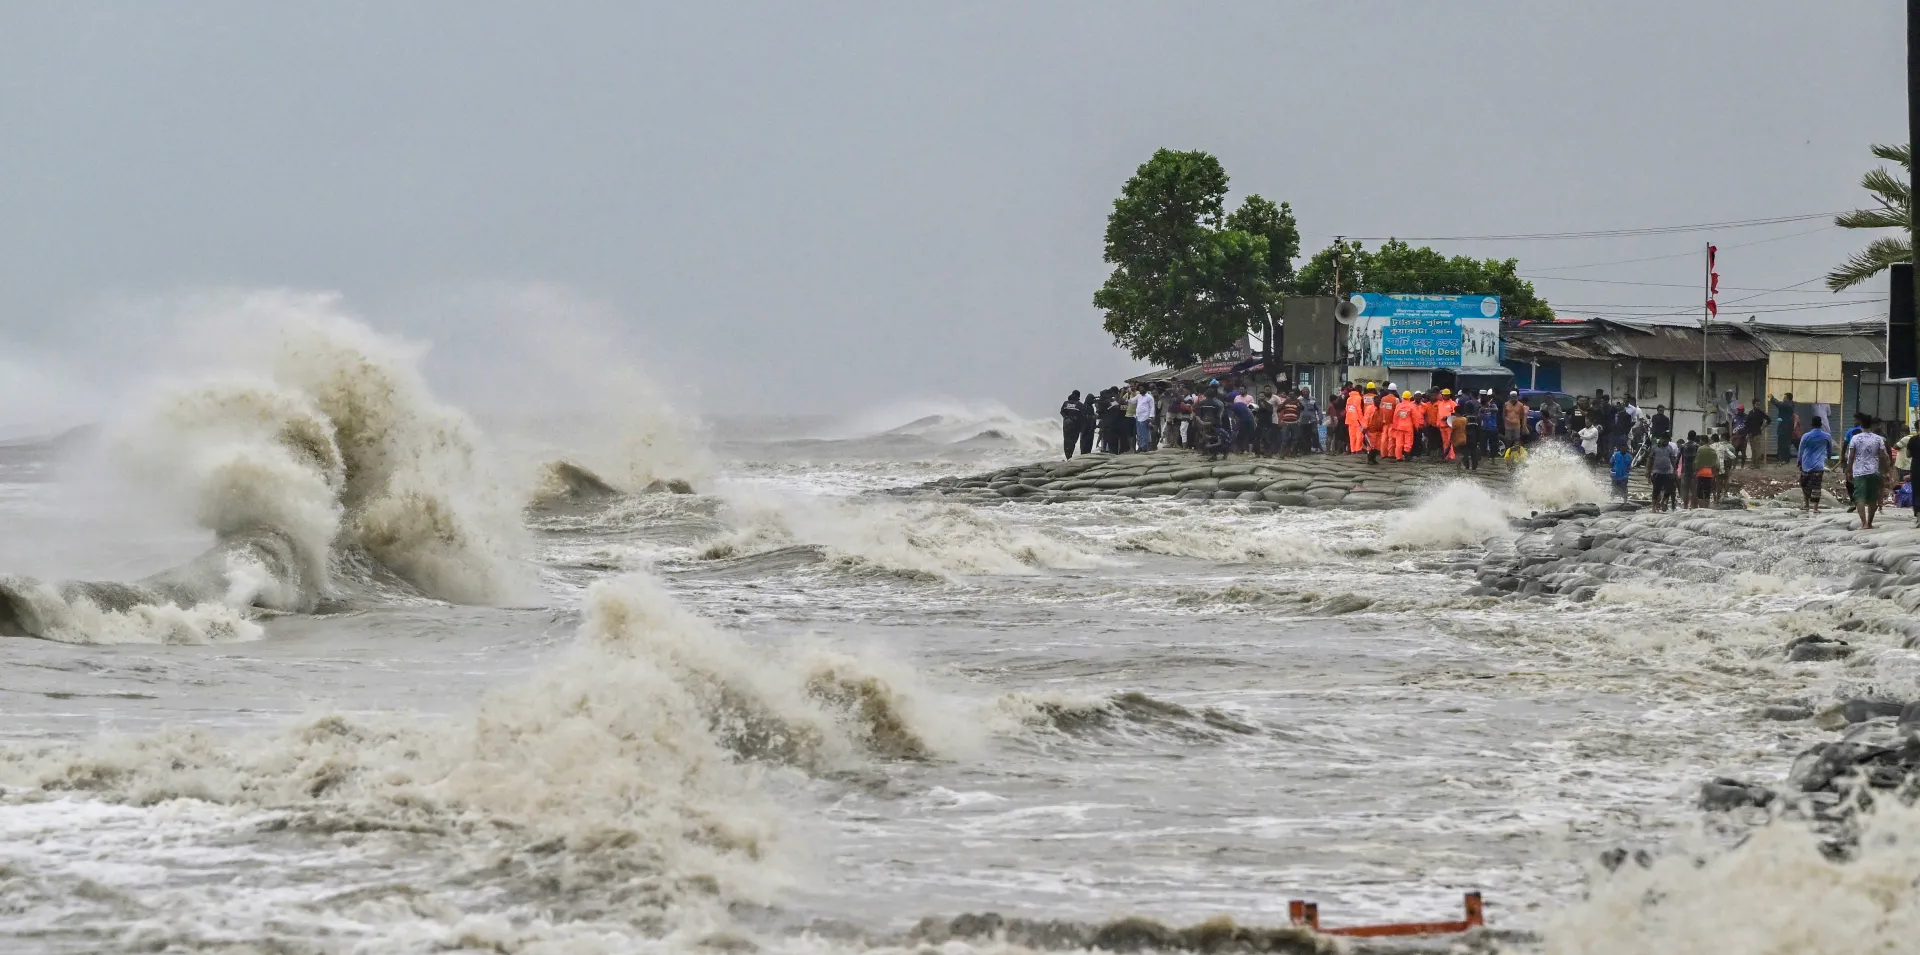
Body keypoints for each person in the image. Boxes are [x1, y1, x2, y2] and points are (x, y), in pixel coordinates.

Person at [1846, 412, 1892, 530]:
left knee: (1859, 497)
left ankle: (1864, 523)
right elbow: (1882, 456)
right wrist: (1886, 472)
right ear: (1871, 425)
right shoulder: (1878, 439)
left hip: (1859, 472)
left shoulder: (1855, 438)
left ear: (1861, 424)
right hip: (1874, 471)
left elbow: (1851, 457)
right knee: (1872, 498)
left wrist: (1849, 470)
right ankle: (1870, 523)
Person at [1797, 416, 1834, 513]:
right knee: (1817, 486)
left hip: (1806, 464)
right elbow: (1830, 450)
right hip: (1819, 465)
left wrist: (1799, 462)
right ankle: (1815, 508)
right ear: (1821, 425)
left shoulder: (1806, 436)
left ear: (1811, 425)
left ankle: (1806, 505)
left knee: (1804, 484)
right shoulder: (1827, 436)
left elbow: (1800, 451)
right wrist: (1829, 457)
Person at [1648, 435, 1679, 511]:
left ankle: (1663, 500)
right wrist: (1647, 470)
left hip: (1667, 471)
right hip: (1657, 471)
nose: (1666, 442)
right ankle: (1653, 507)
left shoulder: (1669, 448)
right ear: (1661, 439)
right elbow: (1650, 460)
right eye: (1665, 441)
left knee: (1669, 488)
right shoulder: (1654, 447)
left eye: (1668, 441)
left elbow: (1672, 459)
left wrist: (1675, 470)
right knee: (1656, 489)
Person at [1692, 434, 1719, 508]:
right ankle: (1706, 507)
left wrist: (1695, 469)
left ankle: (1701, 508)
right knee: (1707, 491)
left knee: (1700, 491)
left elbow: (1697, 461)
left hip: (1701, 473)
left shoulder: (1700, 449)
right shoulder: (1712, 450)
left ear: (1702, 440)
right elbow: (1716, 463)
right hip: (1709, 473)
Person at [1060, 390, 1086, 459]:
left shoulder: (1065, 403)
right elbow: (1083, 417)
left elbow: (1062, 412)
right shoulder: (1080, 405)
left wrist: (1066, 417)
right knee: (1072, 442)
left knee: (1066, 441)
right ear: (1078, 396)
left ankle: (1068, 457)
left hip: (1066, 425)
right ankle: (1070, 457)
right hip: (1075, 426)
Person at [1771, 393, 1797, 463]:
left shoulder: (1787, 404)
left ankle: (1783, 459)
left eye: (1784, 397)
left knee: (1783, 443)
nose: (1783, 398)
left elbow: (1778, 404)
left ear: (1788, 398)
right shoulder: (1790, 404)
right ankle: (1783, 459)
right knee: (1784, 443)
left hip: (1785, 426)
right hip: (1785, 425)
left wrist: (1772, 398)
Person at [1132, 384, 1156, 453]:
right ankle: (1140, 447)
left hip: (1145, 417)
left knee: (1144, 434)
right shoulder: (1138, 396)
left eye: (1142, 388)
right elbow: (1133, 401)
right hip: (1138, 417)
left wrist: (1151, 417)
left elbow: (1152, 407)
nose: (1140, 390)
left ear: (1145, 389)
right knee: (1139, 434)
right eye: (1139, 388)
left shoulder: (1149, 397)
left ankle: (1144, 447)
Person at [1679, 431, 1700, 507]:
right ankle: (1693, 506)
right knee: (1694, 488)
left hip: (1685, 469)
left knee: (1685, 488)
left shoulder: (1683, 446)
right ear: (1695, 437)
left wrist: (1675, 468)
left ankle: (1685, 506)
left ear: (1687, 437)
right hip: (1694, 470)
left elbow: (1678, 458)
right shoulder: (1697, 446)